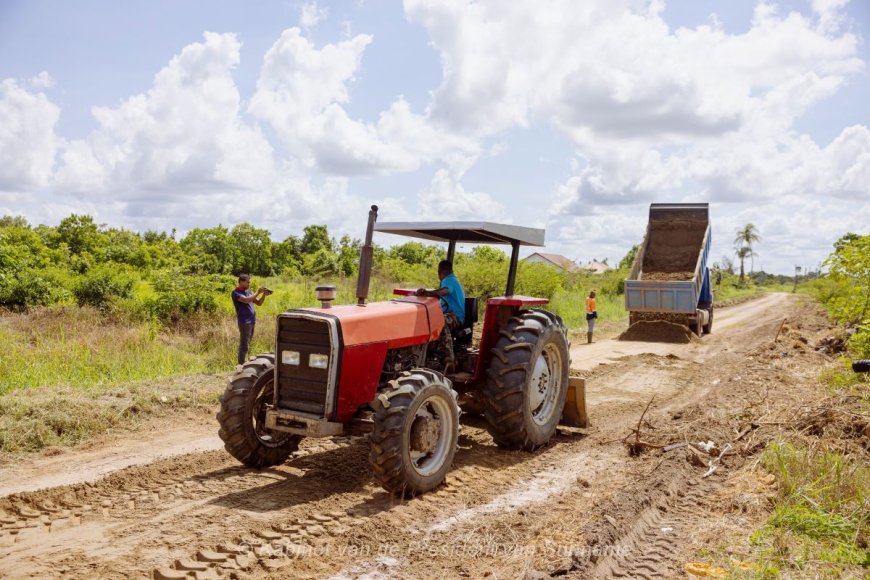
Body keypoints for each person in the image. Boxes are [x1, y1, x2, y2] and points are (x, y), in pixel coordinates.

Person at [416, 260, 466, 369]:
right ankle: (428, 356)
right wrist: (427, 294)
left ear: (440, 272)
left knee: (440, 322)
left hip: (455, 316)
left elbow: (444, 291)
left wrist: (426, 293)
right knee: (427, 322)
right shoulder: (450, 280)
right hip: (447, 314)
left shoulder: (449, 280)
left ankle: (449, 359)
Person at [231, 274, 271, 368]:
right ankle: (240, 366)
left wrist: (263, 295)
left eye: (250, 282)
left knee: (248, 343)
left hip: (252, 321)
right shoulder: (236, 293)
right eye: (247, 282)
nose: (249, 284)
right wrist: (258, 292)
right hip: (244, 321)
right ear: (241, 282)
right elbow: (246, 300)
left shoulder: (249, 291)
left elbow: (259, 303)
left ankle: (245, 364)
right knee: (244, 345)